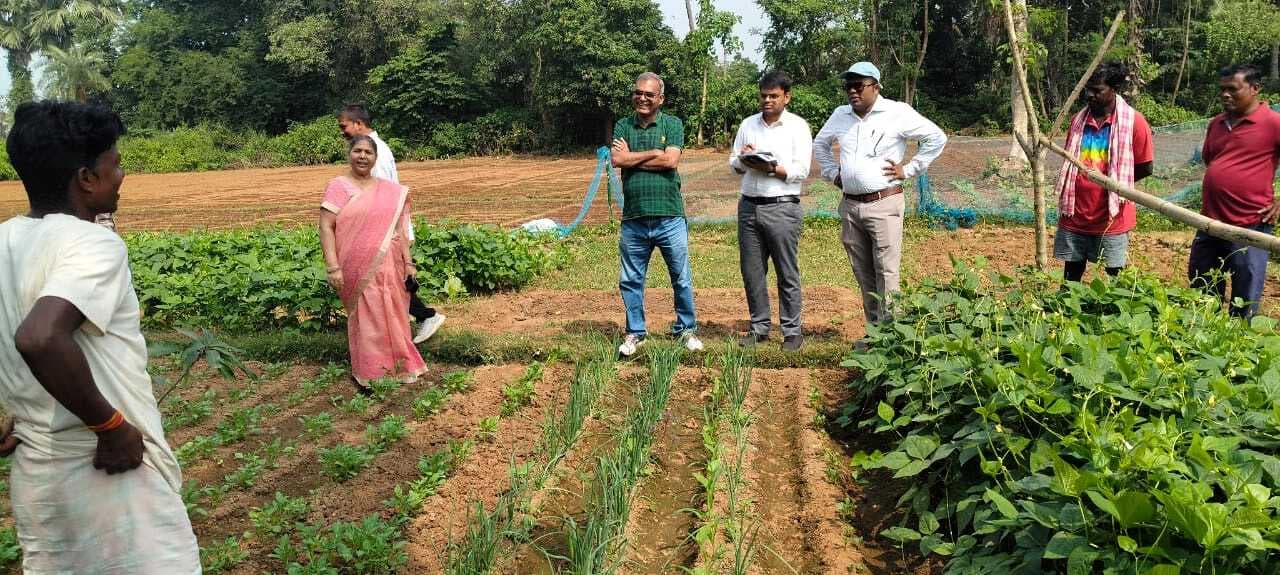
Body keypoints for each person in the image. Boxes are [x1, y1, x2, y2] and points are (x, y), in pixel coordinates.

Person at [0, 100, 199, 573]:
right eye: (116, 162)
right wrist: (110, 429)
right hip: (110, 476)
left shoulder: (4, 241)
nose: (122, 174)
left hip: (39, 479)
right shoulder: (93, 243)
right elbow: (40, 337)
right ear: (87, 178)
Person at [814, 61, 947, 337]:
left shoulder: (896, 112)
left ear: (875, 87)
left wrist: (908, 169)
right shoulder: (841, 115)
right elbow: (819, 144)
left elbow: (936, 137)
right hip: (851, 206)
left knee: (887, 272)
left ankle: (891, 337)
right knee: (864, 274)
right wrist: (832, 173)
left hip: (884, 204)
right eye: (848, 86)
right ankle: (875, 334)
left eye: (858, 85)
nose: (852, 91)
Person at [319, 136, 429, 392]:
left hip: (390, 263)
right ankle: (369, 373)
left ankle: (399, 366)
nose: (362, 156)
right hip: (355, 266)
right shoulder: (338, 186)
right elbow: (326, 227)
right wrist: (333, 267)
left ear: (375, 158)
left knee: (393, 312)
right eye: (357, 150)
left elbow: (400, 230)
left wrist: (409, 263)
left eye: (368, 152)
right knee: (367, 318)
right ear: (349, 153)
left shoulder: (388, 190)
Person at [611, 72, 703, 356]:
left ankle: (685, 329)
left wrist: (633, 159)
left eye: (649, 95)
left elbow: (671, 160)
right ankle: (635, 333)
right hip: (634, 218)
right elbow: (617, 159)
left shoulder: (672, 124)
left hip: (669, 217)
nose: (642, 98)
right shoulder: (623, 125)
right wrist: (653, 152)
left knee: (681, 276)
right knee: (631, 279)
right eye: (638, 93)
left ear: (660, 99)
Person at [338, 104, 445, 344]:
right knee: (388, 282)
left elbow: (388, 198)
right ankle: (401, 324)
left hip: (387, 232)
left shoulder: (378, 154)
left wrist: (386, 236)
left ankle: (426, 316)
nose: (342, 131)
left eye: (343, 126)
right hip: (386, 232)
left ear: (358, 124)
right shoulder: (373, 150)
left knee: (392, 282)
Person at [1189, 63, 1280, 319]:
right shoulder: (1216, 124)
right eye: (1222, 90)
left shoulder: (1273, 123)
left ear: (1255, 89)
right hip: (1209, 222)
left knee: (1244, 295)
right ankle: (1203, 341)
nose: (1225, 95)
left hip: (1250, 224)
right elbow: (1212, 161)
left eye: (1233, 89)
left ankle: (1238, 349)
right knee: (1202, 287)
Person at [729, 70, 812, 352]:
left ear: (786, 97)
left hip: (783, 206)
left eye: (774, 96)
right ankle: (759, 327)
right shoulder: (748, 125)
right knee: (752, 271)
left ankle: (791, 331)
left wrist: (772, 169)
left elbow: (802, 170)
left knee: (786, 271)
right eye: (763, 95)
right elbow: (734, 164)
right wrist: (744, 157)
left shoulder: (798, 127)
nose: (767, 101)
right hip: (749, 205)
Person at [1053, 62, 1154, 282]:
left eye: (1097, 90)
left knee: (1114, 278)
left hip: (1112, 217)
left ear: (1113, 89)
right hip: (1076, 214)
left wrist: (1112, 186)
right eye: (1087, 89)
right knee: (1071, 276)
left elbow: (1146, 167)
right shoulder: (1078, 121)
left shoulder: (1134, 123)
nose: (1090, 95)